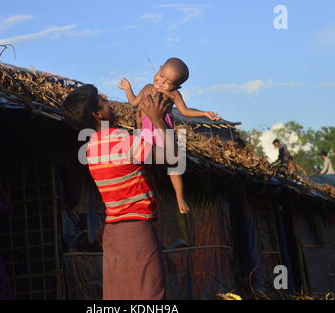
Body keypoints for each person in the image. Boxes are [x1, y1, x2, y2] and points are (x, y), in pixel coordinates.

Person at [62, 84, 176, 300]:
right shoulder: (123, 142)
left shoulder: (91, 149)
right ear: (98, 114)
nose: (109, 102)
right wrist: (159, 120)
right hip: (136, 230)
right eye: (103, 101)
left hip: (114, 234)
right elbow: (173, 157)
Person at [118, 57, 220, 214]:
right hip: (146, 128)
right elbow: (133, 103)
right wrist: (127, 89)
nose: (161, 81)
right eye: (161, 74)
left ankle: (180, 197)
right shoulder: (147, 88)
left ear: (176, 86)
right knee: (142, 159)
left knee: (173, 163)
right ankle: (144, 193)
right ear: (159, 69)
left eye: (167, 82)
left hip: (163, 128)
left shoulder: (174, 95)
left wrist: (204, 113)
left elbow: (185, 111)